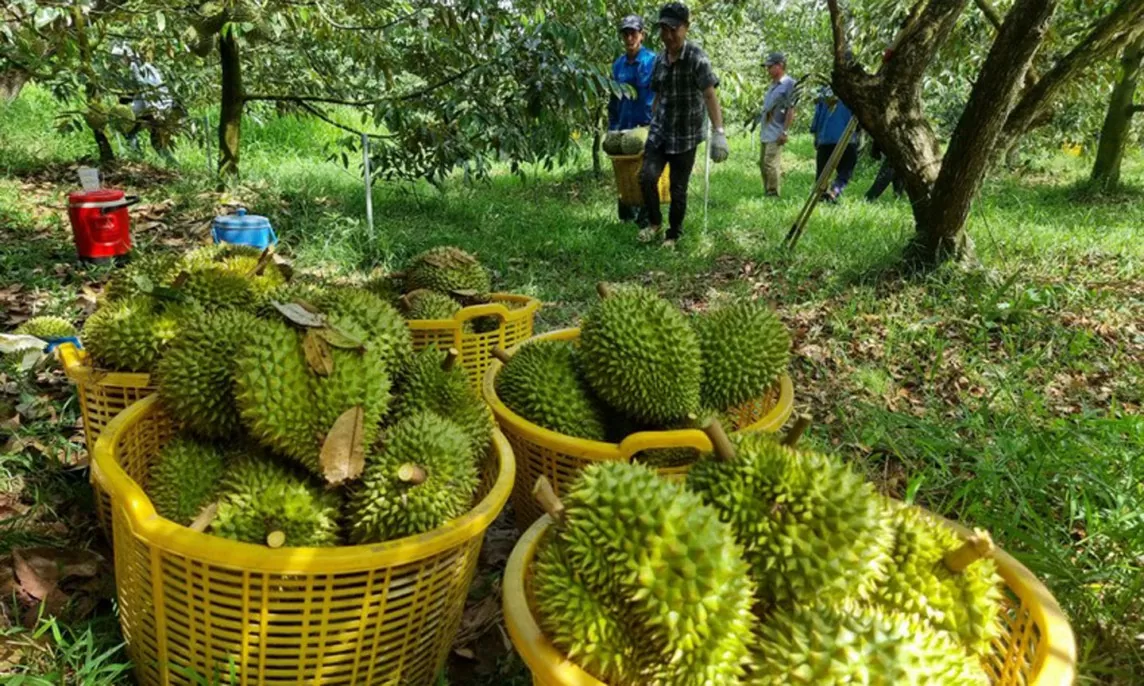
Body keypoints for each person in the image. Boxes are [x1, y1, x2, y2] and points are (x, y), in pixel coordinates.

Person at [638, 2, 728, 249]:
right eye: (663, 29)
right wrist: (650, 122)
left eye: (673, 29)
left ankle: (673, 234)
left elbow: (710, 95)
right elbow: (658, 95)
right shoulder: (659, 60)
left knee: (678, 189)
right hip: (660, 131)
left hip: (686, 135)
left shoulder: (697, 59)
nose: (668, 36)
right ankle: (654, 223)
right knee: (646, 177)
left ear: (686, 28)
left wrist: (719, 132)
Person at [608, 15, 657, 227]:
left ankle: (645, 219)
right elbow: (613, 98)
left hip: (646, 125)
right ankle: (626, 217)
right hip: (622, 125)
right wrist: (612, 126)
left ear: (642, 35)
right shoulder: (618, 65)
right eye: (625, 34)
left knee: (643, 172)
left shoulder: (652, 61)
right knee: (623, 170)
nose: (629, 37)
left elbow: (660, 93)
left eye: (633, 33)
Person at [113, 45, 178, 164]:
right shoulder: (145, 65)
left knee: (131, 133)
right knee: (155, 141)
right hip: (159, 106)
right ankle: (171, 164)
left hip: (153, 107)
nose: (119, 62)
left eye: (119, 58)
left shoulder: (135, 67)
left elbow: (142, 88)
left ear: (126, 56)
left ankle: (138, 158)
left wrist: (123, 100)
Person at [809, 85, 860, 203]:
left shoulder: (824, 92)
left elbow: (818, 116)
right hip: (846, 137)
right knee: (846, 170)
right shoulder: (853, 91)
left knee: (822, 173)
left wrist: (817, 137)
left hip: (826, 138)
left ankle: (821, 195)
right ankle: (834, 191)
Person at [758, 51, 797, 197]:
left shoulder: (789, 84)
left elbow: (791, 109)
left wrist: (785, 131)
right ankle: (767, 190)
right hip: (766, 130)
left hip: (777, 130)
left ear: (780, 66)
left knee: (770, 162)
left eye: (770, 67)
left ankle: (773, 193)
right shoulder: (773, 85)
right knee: (762, 163)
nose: (768, 70)